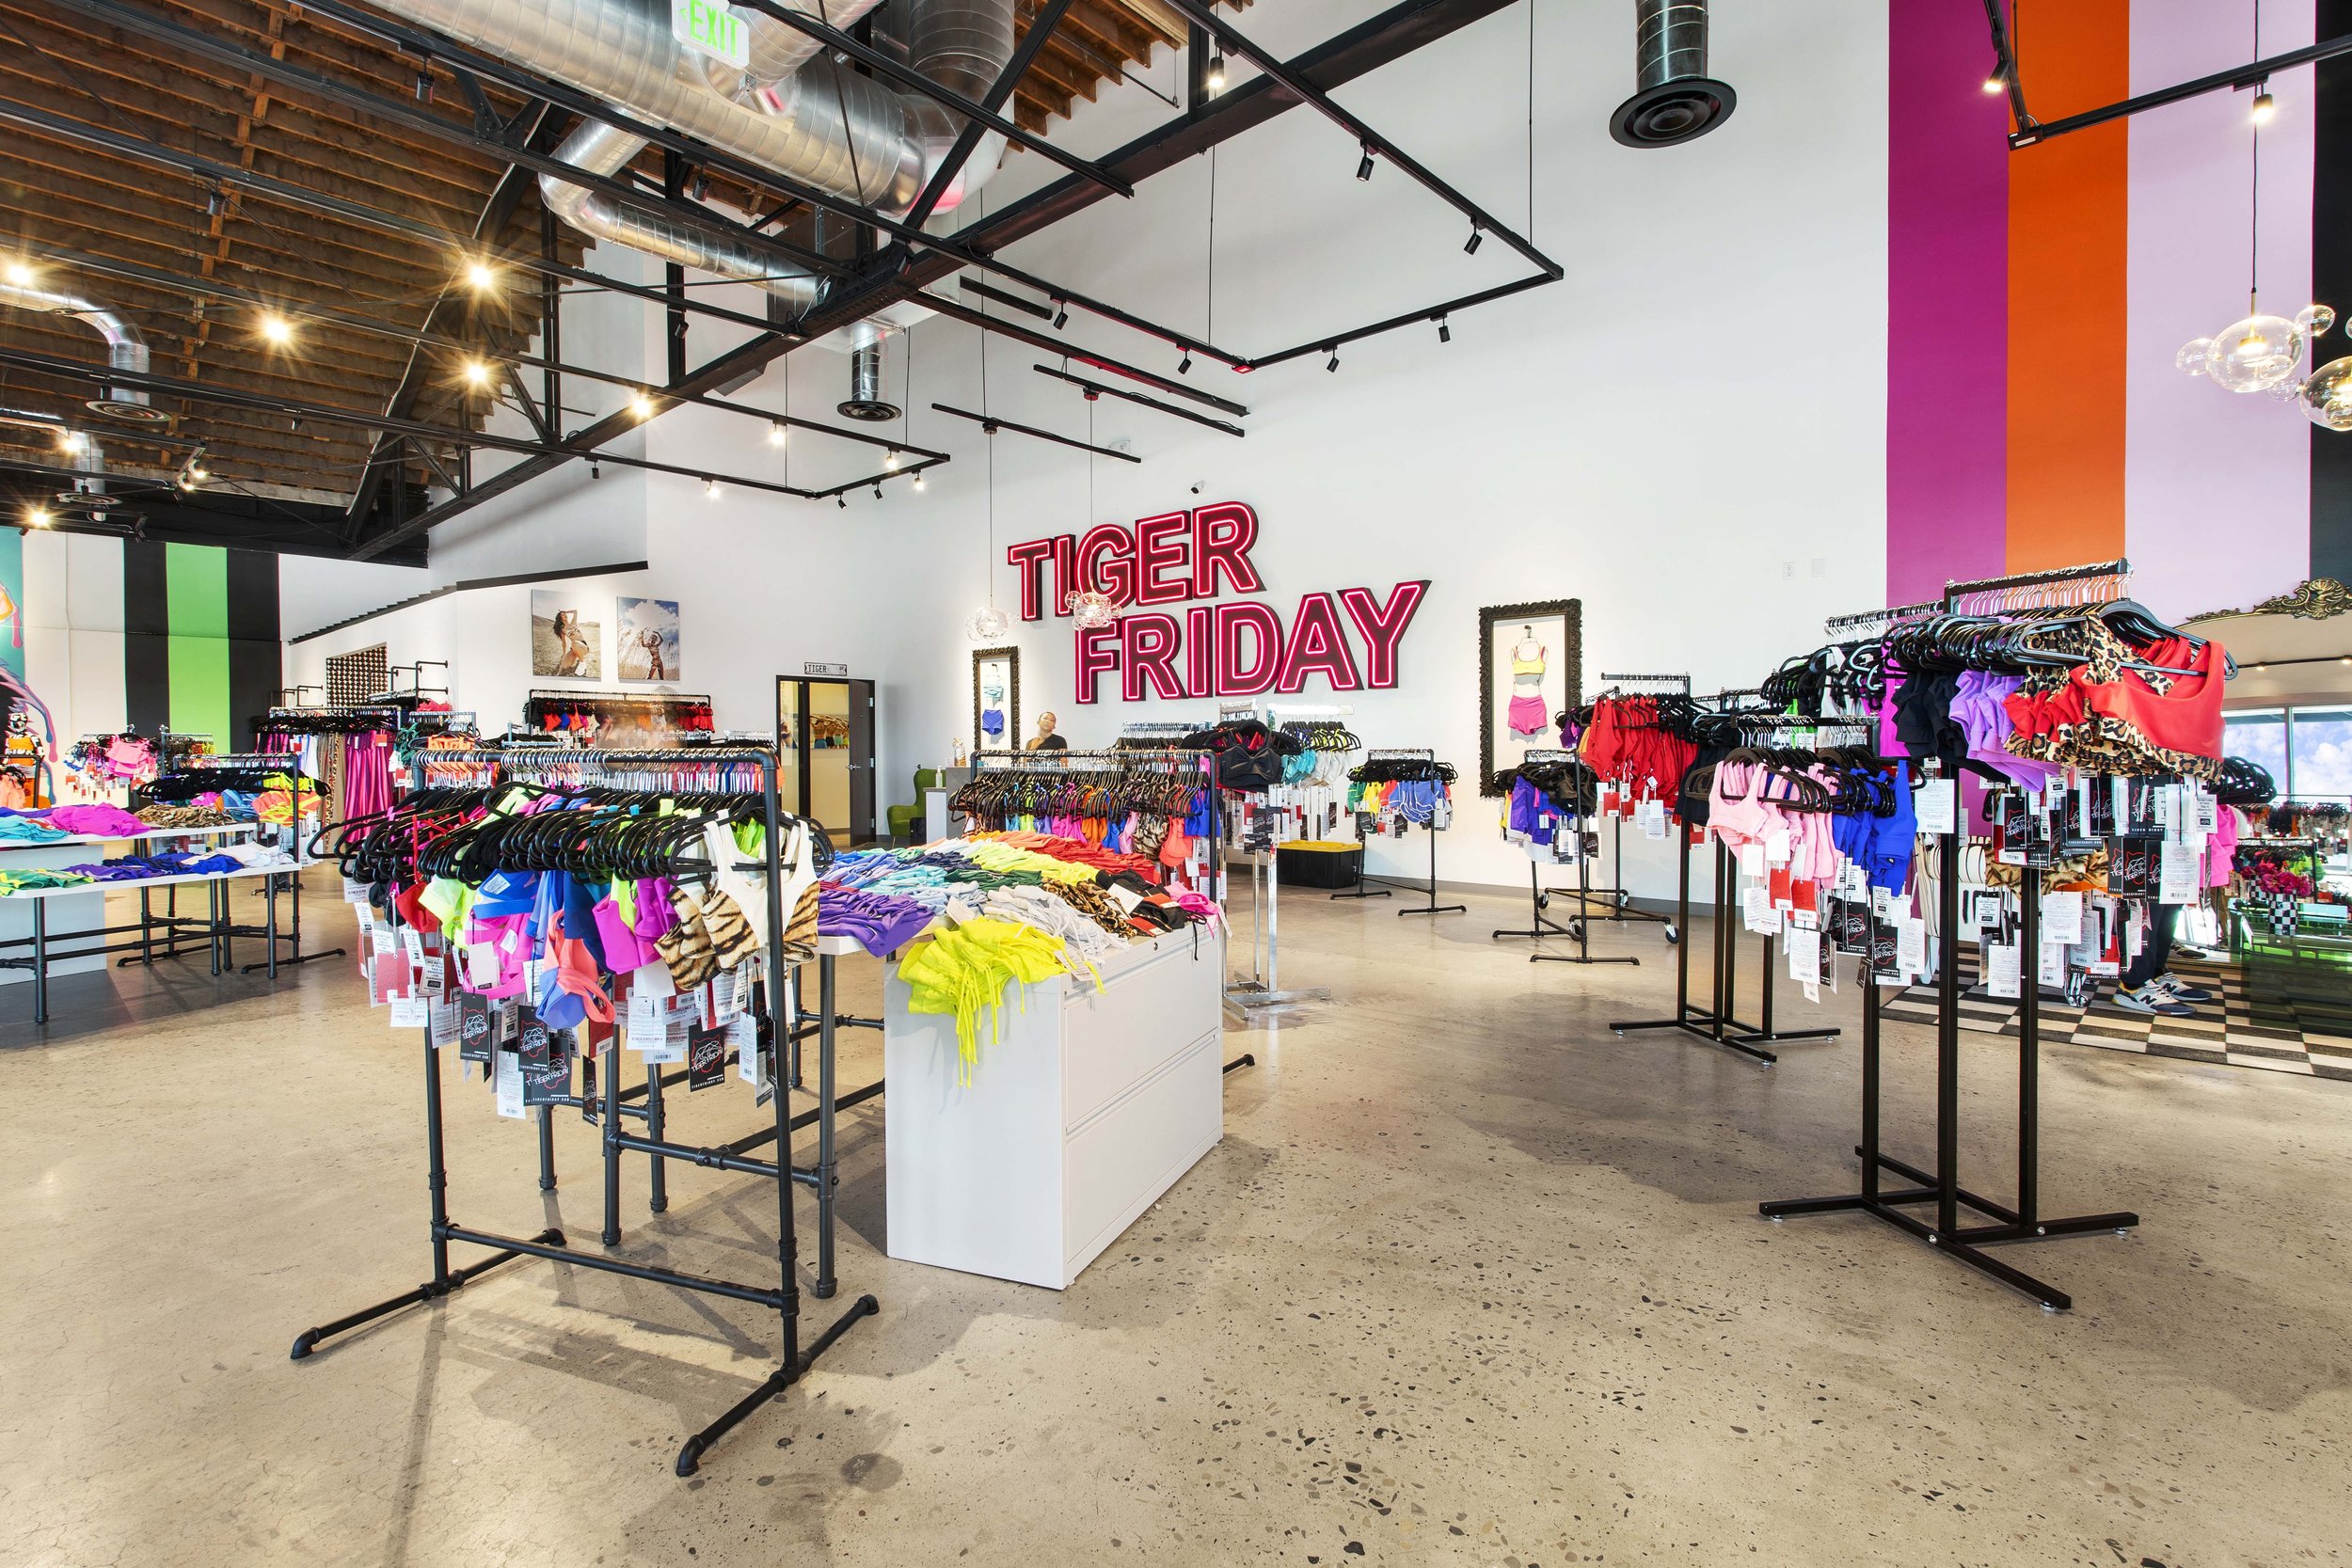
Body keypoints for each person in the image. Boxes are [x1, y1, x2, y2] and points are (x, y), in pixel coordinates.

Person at [551, 609, 591, 677]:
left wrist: (565, 611)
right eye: (563, 615)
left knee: (575, 643)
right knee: (565, 666)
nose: (565, 615)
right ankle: (578, 656)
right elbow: (564, 643)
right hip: (574, 648)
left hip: (583, 645)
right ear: (560, 618)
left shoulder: (573, 622)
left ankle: (582, 663)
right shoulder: (562, 630)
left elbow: (575, 611)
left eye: (565, 614)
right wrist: (564, 654)